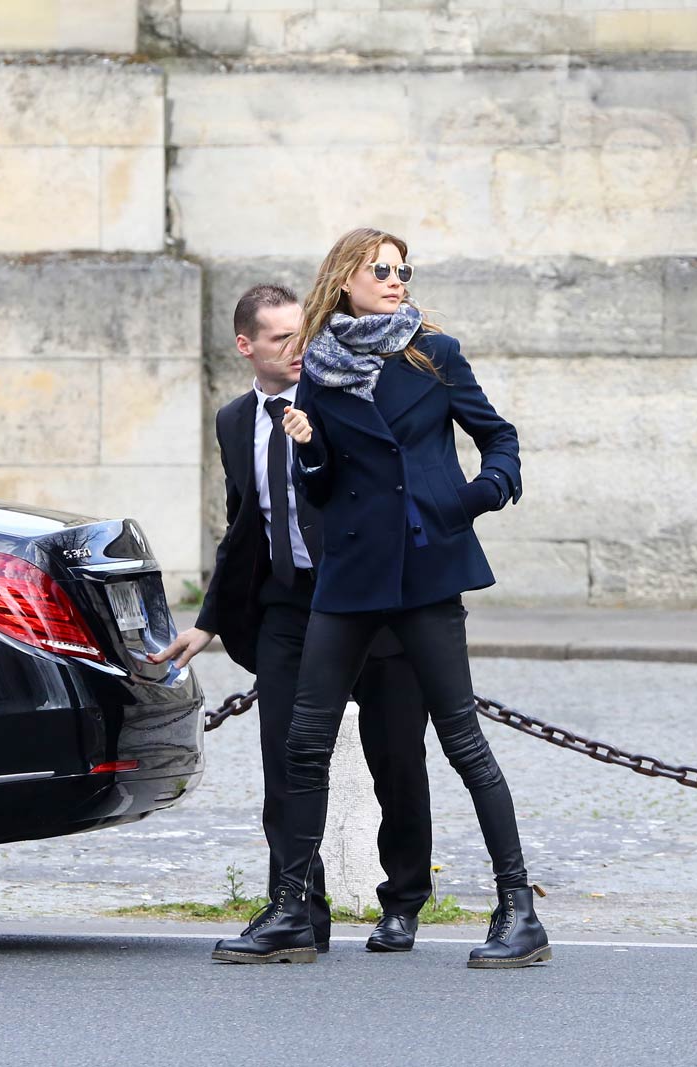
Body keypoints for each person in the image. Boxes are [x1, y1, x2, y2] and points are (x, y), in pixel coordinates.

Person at [212, 228, 551, 969]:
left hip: (427, 567)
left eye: (404, 270)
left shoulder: (434, 353)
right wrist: (307, 447)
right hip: (354, 575)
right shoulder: (321, 369)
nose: (397, 280)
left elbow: (500, 439)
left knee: (462, 742)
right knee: (304, 742)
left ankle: (519, 909)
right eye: (383, 270)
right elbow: (325, 487)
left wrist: (469, 500)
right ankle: (290, 910)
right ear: (345, 279)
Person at [153, 284, 434, 957]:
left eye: (302, 335)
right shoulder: (231, 422)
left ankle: (402, 901)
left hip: (375, 605)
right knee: (286, 762)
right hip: (289, 605)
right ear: (246, 346)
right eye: (280, 340)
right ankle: (299, 911)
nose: (298, 350)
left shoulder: (344, 400)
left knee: (396, 758)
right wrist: (210, 619)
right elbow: (243, 527)